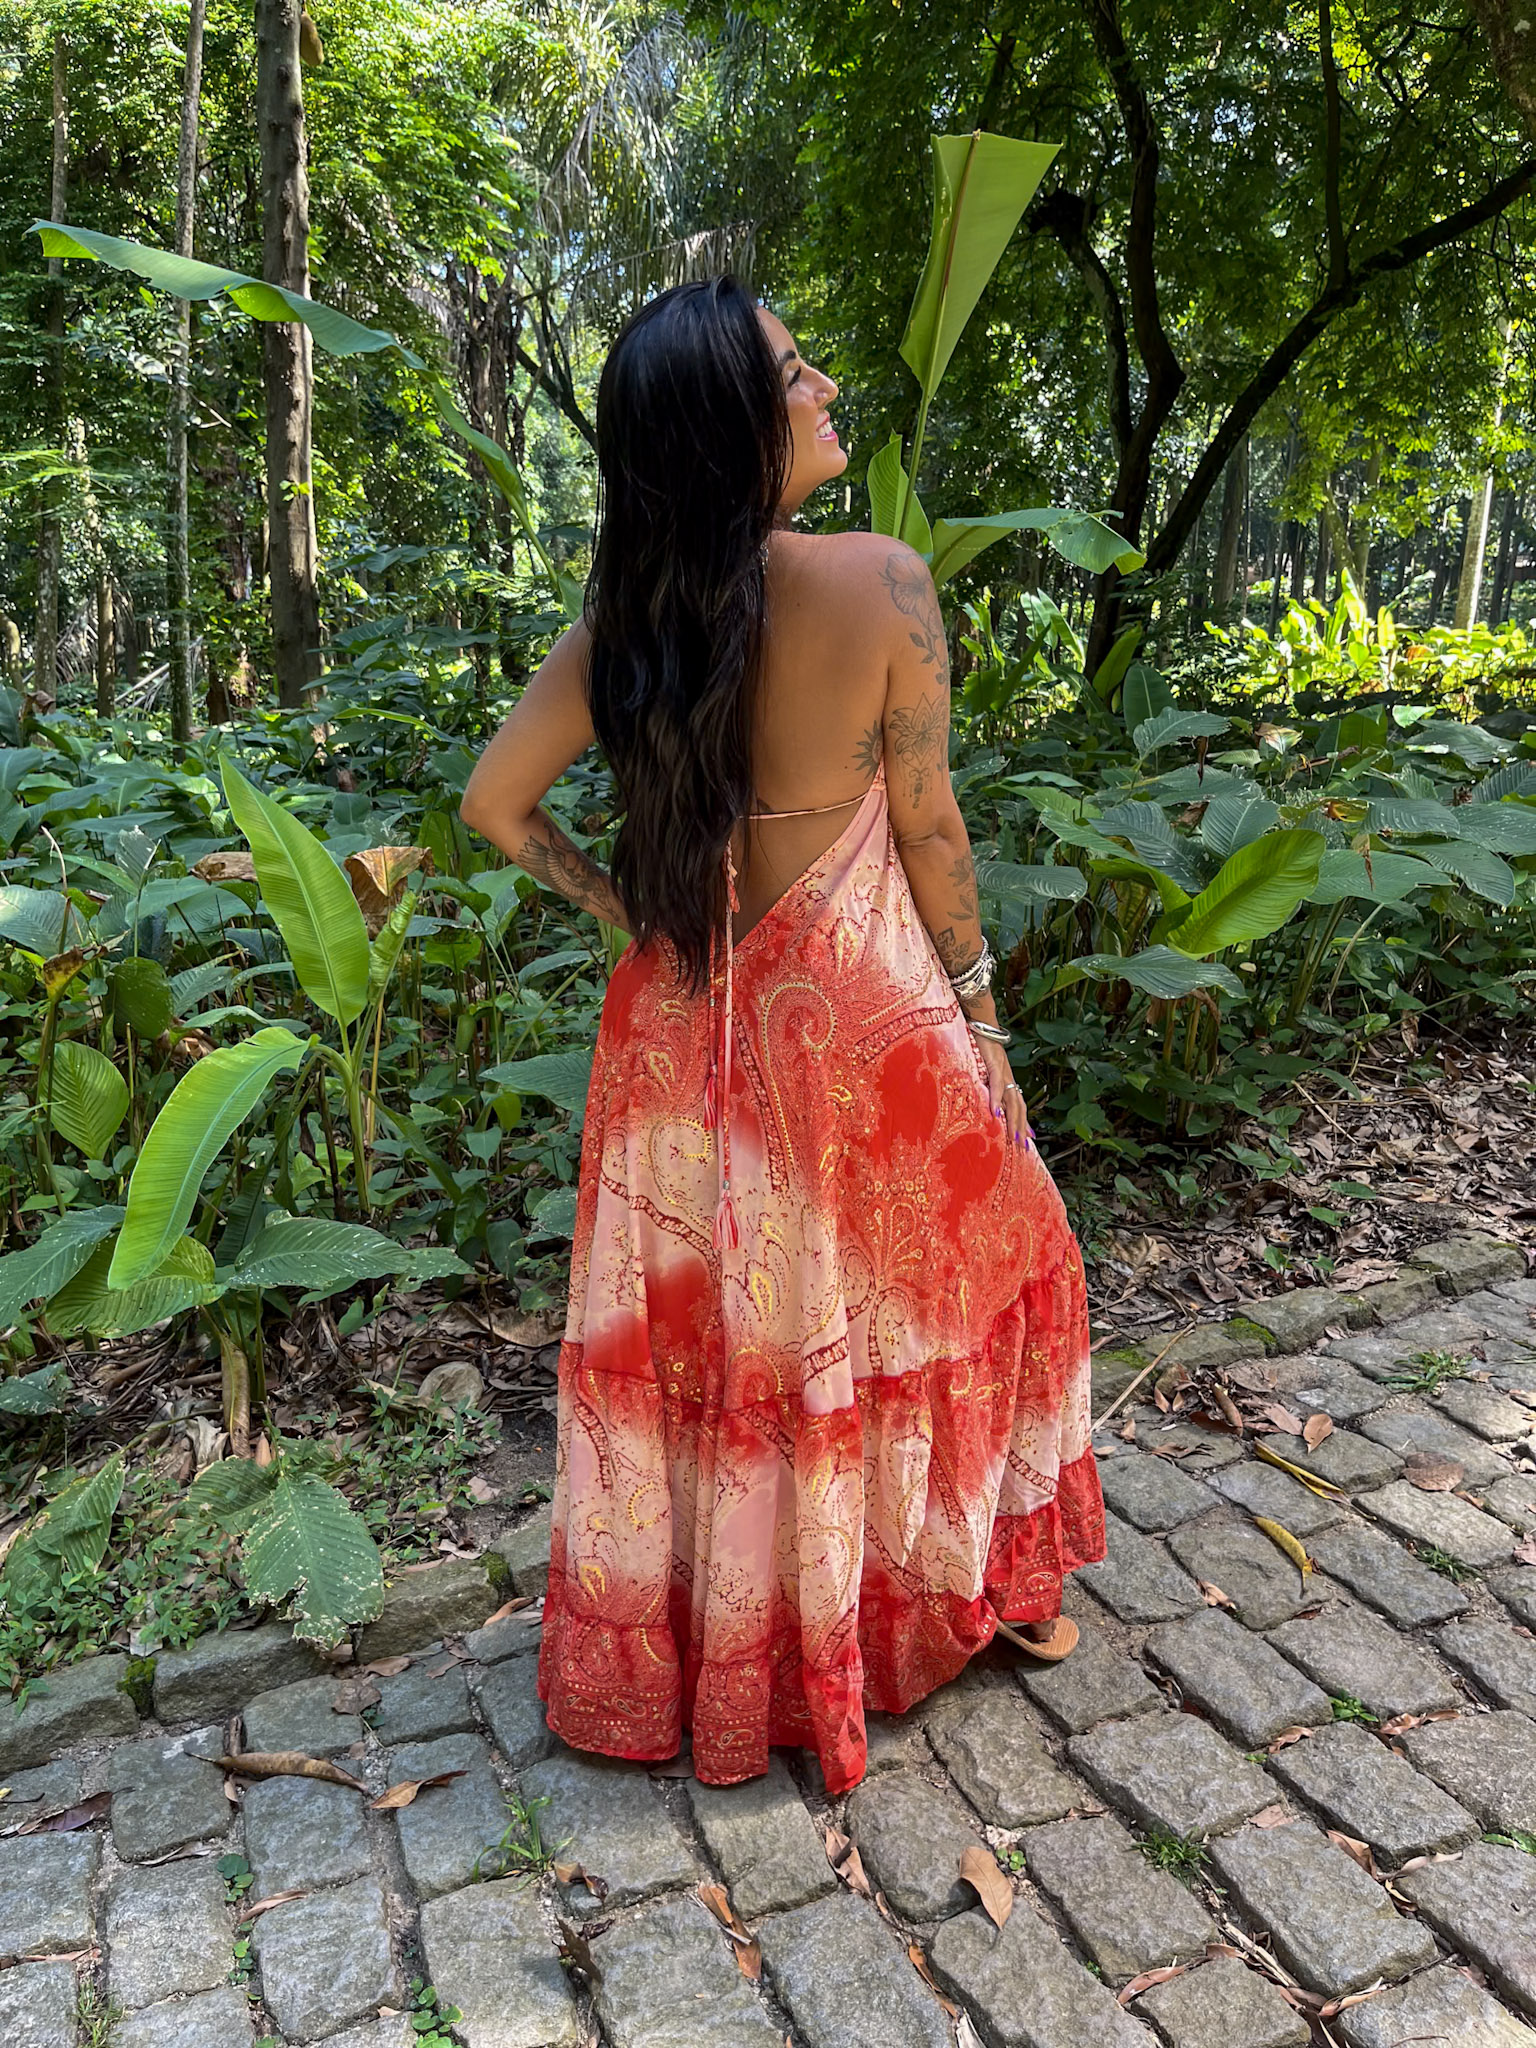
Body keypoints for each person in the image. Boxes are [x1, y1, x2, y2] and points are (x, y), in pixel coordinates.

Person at [459, 275, 1105, 1797]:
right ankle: (950, 1588)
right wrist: (984, 1014)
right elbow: (929, 826)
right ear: (731, 430)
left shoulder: (625, 622)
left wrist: (630, 916)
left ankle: (728, 1645)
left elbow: (494, 805)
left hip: (682, 1029)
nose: (822, 390)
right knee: (988, 1267)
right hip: (856, 1014)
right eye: (794, 373)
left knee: (733, 1337)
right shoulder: (881, 583)